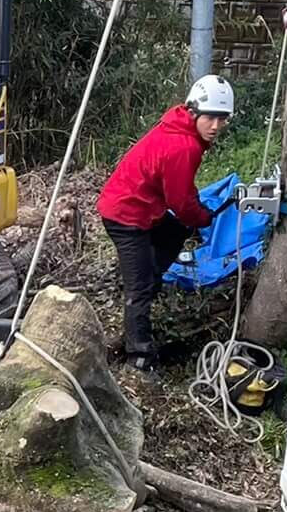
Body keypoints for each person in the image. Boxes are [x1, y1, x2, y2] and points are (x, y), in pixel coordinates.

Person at [97, 73, 235, 365]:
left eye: (222, 119)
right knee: (140, 288)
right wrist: (202, 217)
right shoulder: (184, 146)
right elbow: (180, 202)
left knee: (173, 232)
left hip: (142, 209)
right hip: (125, 214)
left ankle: (148, 280)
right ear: (195, 112)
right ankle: (139, 355)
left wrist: (193, 214)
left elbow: (180, 189)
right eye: (210, 118)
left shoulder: (178, 125)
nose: (216, 126)